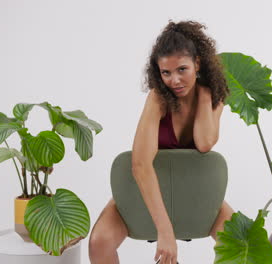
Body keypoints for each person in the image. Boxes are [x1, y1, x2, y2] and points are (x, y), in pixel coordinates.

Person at [88, 20, 234, 264]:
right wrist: (165, 232)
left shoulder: (214, 96)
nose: (174, 80)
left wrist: (206, 94)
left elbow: (204, 143)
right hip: (147, 189)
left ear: (197, 63)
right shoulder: (158, 98)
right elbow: (141, 165)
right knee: (99, 241)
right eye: (166, 72)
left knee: (241, 243)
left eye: (182, 70)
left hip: (193, 190)